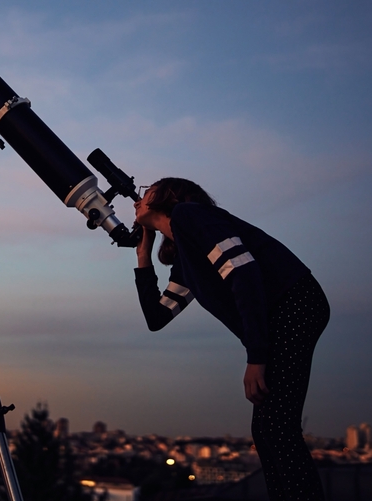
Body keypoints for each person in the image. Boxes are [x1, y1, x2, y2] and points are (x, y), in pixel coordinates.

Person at [131, 177, 330, 501]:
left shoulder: (188, 215)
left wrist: (256, 357)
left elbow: (242, 270)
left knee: (277, 430)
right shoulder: (188, 260)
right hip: (282, 317)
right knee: (268, 431)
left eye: (147, 190)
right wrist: (144, 257)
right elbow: (157, 317)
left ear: (166, 197)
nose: (139, 198)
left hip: (294, 304)